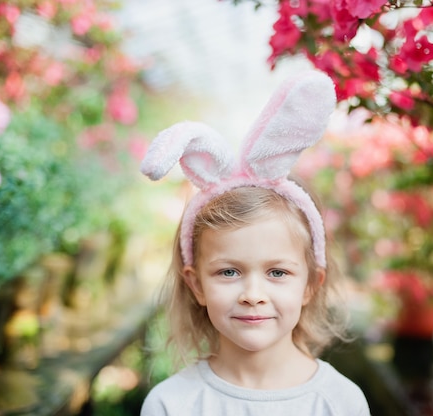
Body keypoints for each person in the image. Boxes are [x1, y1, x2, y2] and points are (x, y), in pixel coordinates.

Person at [139, 70, 371, 416]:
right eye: (229, 272)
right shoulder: (170, 405)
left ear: (311, 283)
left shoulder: (341, 403)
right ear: (196, 284)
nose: (252, 294)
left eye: (277, 272)